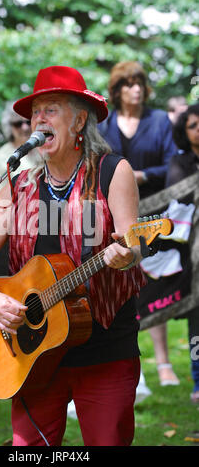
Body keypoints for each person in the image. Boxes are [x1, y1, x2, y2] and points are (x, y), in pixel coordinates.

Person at [0, 65, 147, 446]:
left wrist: (126, 254)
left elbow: (133, 244)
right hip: (33, 354)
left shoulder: (114, 172)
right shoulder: (18, 187)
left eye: (51, 110)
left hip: (105, 348)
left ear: (80, 120)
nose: (38, 120)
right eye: (35, 113)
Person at [98, 61, 179, 387]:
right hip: (113, 216)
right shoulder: (104, 124)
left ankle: (163, 363)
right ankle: (131, 367)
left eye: (140, 83)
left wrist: (142, 176)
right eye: (128, 83)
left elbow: (173, 162)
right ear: (116, 90)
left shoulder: (160, 120)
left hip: (154, 215)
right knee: (119, 285)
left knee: (154, 285)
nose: (136, 89)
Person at [166, 103, 199, 403]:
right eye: (193, 125)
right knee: (197, 319)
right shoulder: (180, 163)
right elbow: (178, 201)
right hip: (193, 255)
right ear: (184, 132)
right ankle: (198, 381)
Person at [0, 100, 39, 210]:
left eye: (28, 122)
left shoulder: (44, 150)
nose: (25, 127)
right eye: (18, 124)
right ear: (9, 126)